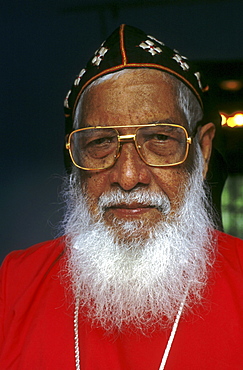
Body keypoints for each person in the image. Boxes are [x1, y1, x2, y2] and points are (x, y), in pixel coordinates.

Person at [0, 24, 242, 369]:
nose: (128, 177)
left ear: (201, 152)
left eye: (160, 139)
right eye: (100, 142)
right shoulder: (16, 281)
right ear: (75, 157)